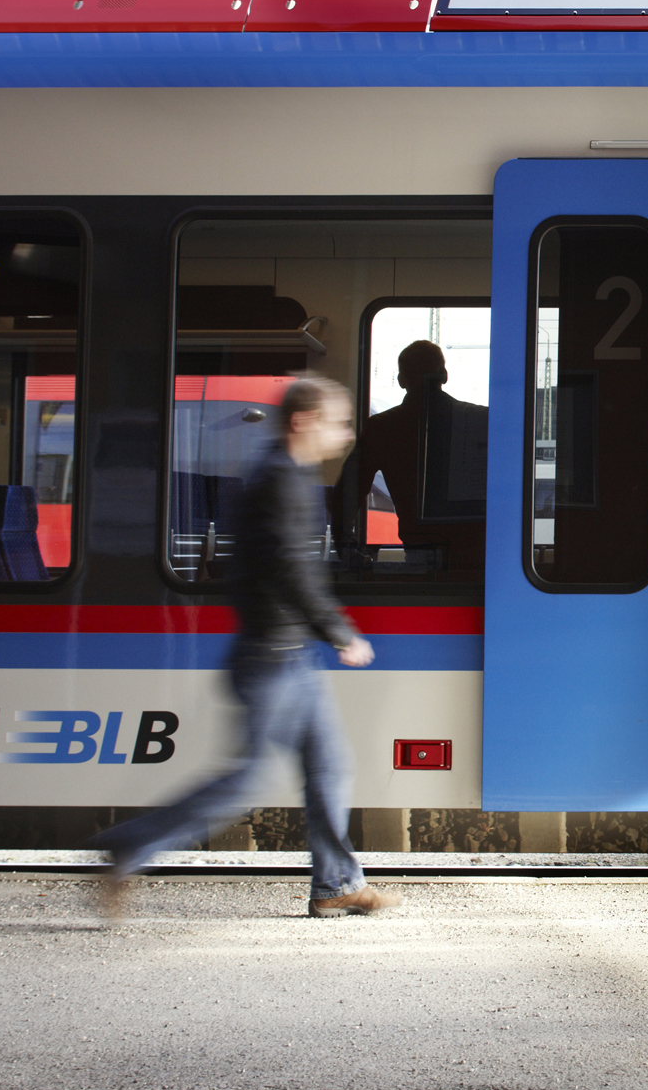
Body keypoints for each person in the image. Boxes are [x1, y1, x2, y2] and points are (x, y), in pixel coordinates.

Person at [94, 374, 396, 920]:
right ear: (304, 421)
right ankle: (131, 845)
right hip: (272, 658)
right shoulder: (279, 479)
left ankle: (336, 885)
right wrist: (339, 631)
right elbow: (290, 571)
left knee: (329, 766)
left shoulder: (280, 473)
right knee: (244, 782)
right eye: (339, 421)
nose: (346, 434)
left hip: (287, 655)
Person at [334, 340, 487, 576]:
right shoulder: (481, 419)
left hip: (421, 555)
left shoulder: (382, 427)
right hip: (482, 553)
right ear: (444, 375)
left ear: (401, 380)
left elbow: (347, 492)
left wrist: (347, 550)